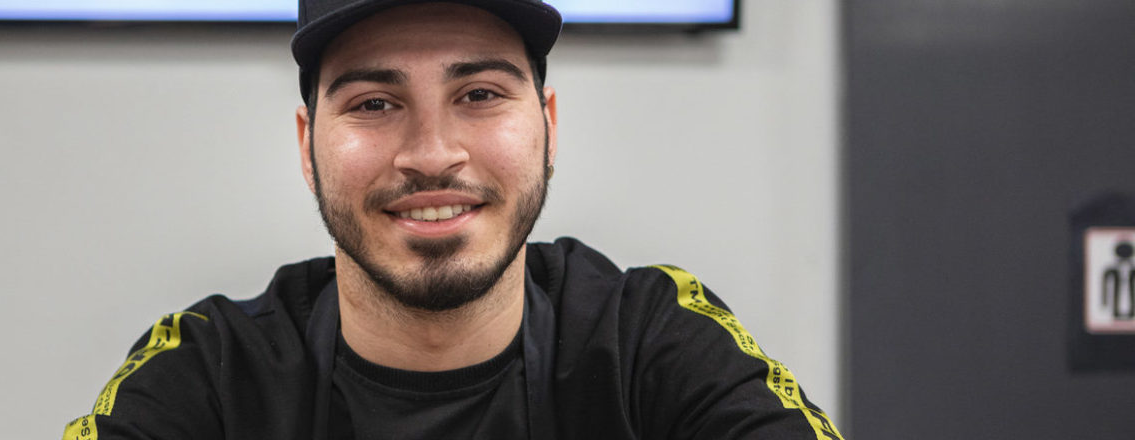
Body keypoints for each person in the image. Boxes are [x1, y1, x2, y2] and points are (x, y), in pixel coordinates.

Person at [62, 0, 843, 439]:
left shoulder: (646, 340)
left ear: (548, 128)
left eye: (479, 95)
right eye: (375, 104)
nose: (432, 154)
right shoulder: (212, 373)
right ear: (308, 147)